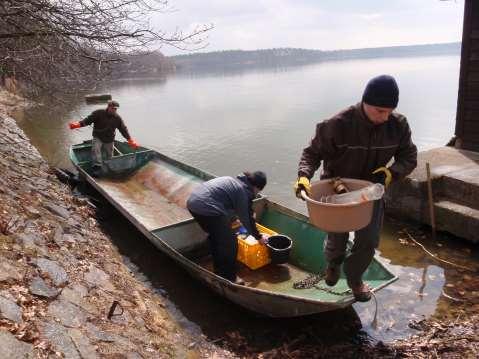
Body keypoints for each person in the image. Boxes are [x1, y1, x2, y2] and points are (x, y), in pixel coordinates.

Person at [294, 74, 417, 302]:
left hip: (372, 192)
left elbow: (409, 156)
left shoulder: (398, 125)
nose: (385, 116)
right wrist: (303, 177)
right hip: (337, 188)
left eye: (389, 111)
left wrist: (393, 172)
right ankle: (333, 264)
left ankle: (355, 279)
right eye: (380, 111)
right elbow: (311, 154)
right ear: (365, 102)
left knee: (369, 241)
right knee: (336, 237)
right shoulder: (338, 124)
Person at [187, 171, 268, 284]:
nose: (256, 194)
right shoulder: (243, 191)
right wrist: (259, 237)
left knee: (216, 236)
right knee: (230, 242)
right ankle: (229, 277)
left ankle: (219, 269)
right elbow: (247, 219)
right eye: (258, 191)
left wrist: (237, 219)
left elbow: (227, 204)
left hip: (193, 203)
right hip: (206, 206)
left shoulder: (234, 181)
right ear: (256, 187)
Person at [68, 100, 139, 177]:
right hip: (98, 136)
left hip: (109, 139)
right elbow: (87, 120)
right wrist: (78, 124)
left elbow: (123, 129)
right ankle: (97, 167)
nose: (114, 110)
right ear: (108, 107)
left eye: (115, 109)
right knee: (96, 149)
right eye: (112, 108)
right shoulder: (98, 113)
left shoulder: (117, 118)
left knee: (109, 155)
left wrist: (130, 140)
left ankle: (110, 166)